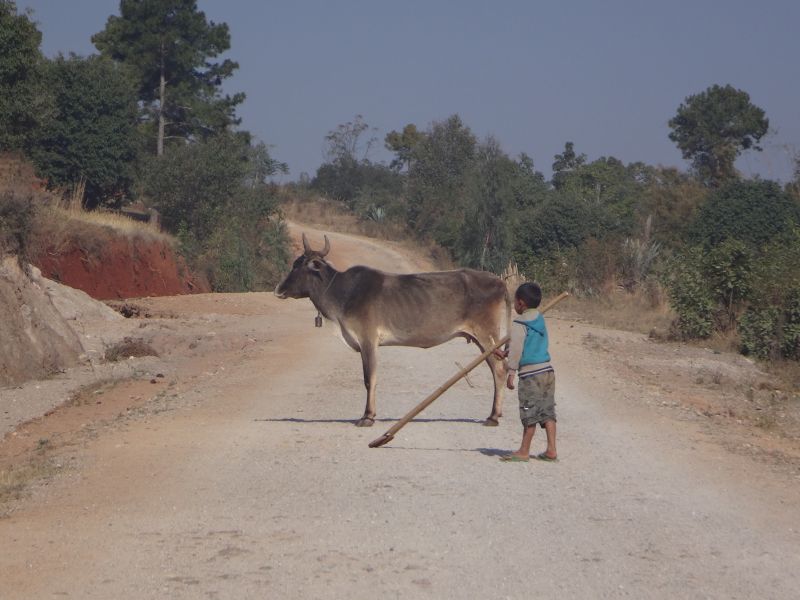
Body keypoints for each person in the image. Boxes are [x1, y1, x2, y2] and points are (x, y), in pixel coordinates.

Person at [497, 282, 557, 462]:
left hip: (531, 375)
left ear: (521, 303)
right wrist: (505, 352)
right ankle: (552, 449)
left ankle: (524, 451)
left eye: (515, 301)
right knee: (547, 411)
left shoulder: (519, 323)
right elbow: (528, 345)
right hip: (547, 371)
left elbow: (516, 350)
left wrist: (511, 372)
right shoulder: (539, 318)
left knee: (528, 411)